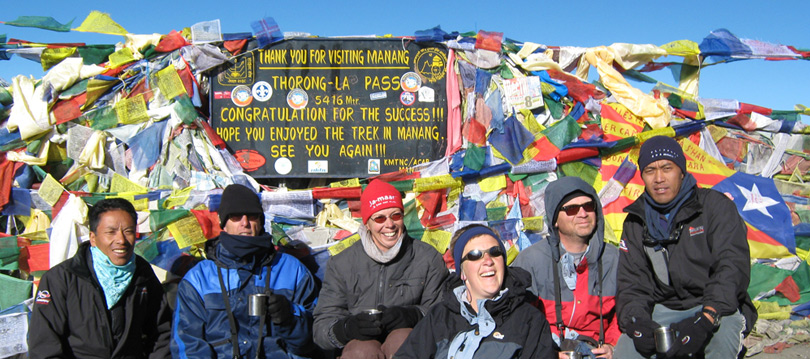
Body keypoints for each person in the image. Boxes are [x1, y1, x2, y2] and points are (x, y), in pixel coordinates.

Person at [614, 136, 757, 358]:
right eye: (650, 170)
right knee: (626, 350)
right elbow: (632, 284)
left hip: (714, 305)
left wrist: (707, 317)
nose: (659, 178)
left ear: (681, 170)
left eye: (667, 168)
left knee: (721, 341)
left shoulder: (714, 207)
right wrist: (637, 323)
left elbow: (731, 268)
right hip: (665, 308)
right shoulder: (636, 221)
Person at [171, 184, 319, 358]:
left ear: (261, 221)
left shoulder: (292, 270)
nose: (245, 223)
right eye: (235, 216)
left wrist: (290, 316)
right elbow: (188, 344)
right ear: (223, 223)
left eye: (252, 215)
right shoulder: (198, 279)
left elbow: (314, 340)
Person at [313, 179, 448, 358]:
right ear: (367, 223)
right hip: (359, 347)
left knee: (403, 340)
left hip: (408, 343)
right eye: (379, 218)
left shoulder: (427, 257)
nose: (389, 225)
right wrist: (347, 328)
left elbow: (443, 312)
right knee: (361, 351)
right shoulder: (341, 263)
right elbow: (321, 327)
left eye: (396, 215)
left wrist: (413, 315)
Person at [29, 198, 171, 359]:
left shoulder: (142, 274)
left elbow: (162, 333)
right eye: (111, 232)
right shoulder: (61, 279)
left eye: (128, 231)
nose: (121, 240)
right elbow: (44, 346)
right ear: (93, 238)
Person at [395, 224, 556, 358]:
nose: (487, 261)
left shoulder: (528, 320)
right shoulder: (440, 317)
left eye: (495, 252)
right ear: (462, 273)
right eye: (474, 255)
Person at [512, 176, 619, 358]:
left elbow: (627, 310)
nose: (583, 214)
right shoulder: (531, 260)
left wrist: (613, 345)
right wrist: (545, 352)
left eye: (588, 206)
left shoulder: (615, 259)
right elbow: (519, 319)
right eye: (571, 209)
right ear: (554, 219)